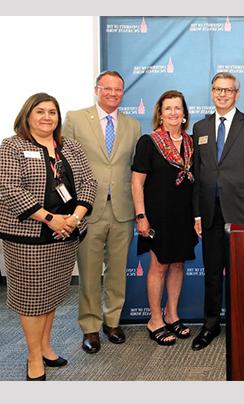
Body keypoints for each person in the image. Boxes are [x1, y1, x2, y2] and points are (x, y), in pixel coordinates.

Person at [0, 93, 97, 380]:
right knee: (32, 298)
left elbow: (88, 182)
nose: (46, 117)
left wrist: (75, 218)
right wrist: (51, 219)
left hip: (66, 233)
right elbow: (10, 189)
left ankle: (45, 346)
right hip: (28, 237)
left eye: (52, 112)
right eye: (40, 111)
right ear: (27, 115)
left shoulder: (70, 147)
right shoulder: (12, 146)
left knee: (52, 293)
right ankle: (33, 357)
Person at [191, 72, 244, 351]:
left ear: (237, 94)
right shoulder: (200, 128)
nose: (222, 94)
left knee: (243, 274)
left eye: (227, 90)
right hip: (211, 213)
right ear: (211, 92)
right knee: (212, 272)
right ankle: (210, 325)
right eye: (217, 89)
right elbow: (197, 174)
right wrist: (197, 214)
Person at [62, 71, 141, 353]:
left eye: (117, 89)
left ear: (123, 92)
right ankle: (90, 327)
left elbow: (135, 170)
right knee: (90, 272)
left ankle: (112, 321)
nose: (112, 93)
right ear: (97, 89)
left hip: (122, 209)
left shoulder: (133, 125)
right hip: (87, 209)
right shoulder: (75, 118)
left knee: (117, 271)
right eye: (106, 88)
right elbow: (64, 165)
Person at [131, 90, 198, 346]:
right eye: (167, 108)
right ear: (160, 113)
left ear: (184, 114)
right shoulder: (149, 142)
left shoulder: (191, 143)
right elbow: (137, 182)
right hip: (157, 216)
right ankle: (155, 320)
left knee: (178, 264)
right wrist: (141, 216)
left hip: (184, 216)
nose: (173, 113)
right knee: (158, 266)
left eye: (177, 108)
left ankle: (172, 314)